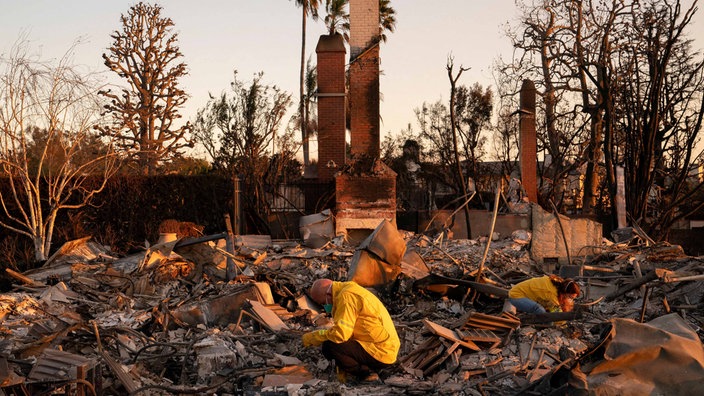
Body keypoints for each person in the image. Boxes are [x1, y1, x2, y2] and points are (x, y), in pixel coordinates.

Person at [302, 278, 400, 382]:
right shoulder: (349, 290)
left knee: (330, 346)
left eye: (323, 303)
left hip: (381, 351)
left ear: (329, 295)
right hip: (384, 347)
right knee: (336, 344)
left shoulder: (346, 297)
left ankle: (366, 374)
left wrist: (315, 336)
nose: (324, 306)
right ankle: (365, 369)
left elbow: (341, 335)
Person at [505, 274, 580, 314]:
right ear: (565, 292)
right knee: (540, 310)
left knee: (547, 308)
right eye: (570, 297)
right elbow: (556, 313)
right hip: (516, 296)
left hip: (525, 293)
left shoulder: (558, 283)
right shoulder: (550, 293)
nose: (570, 300)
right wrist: (563, 325)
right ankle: (539, 327)